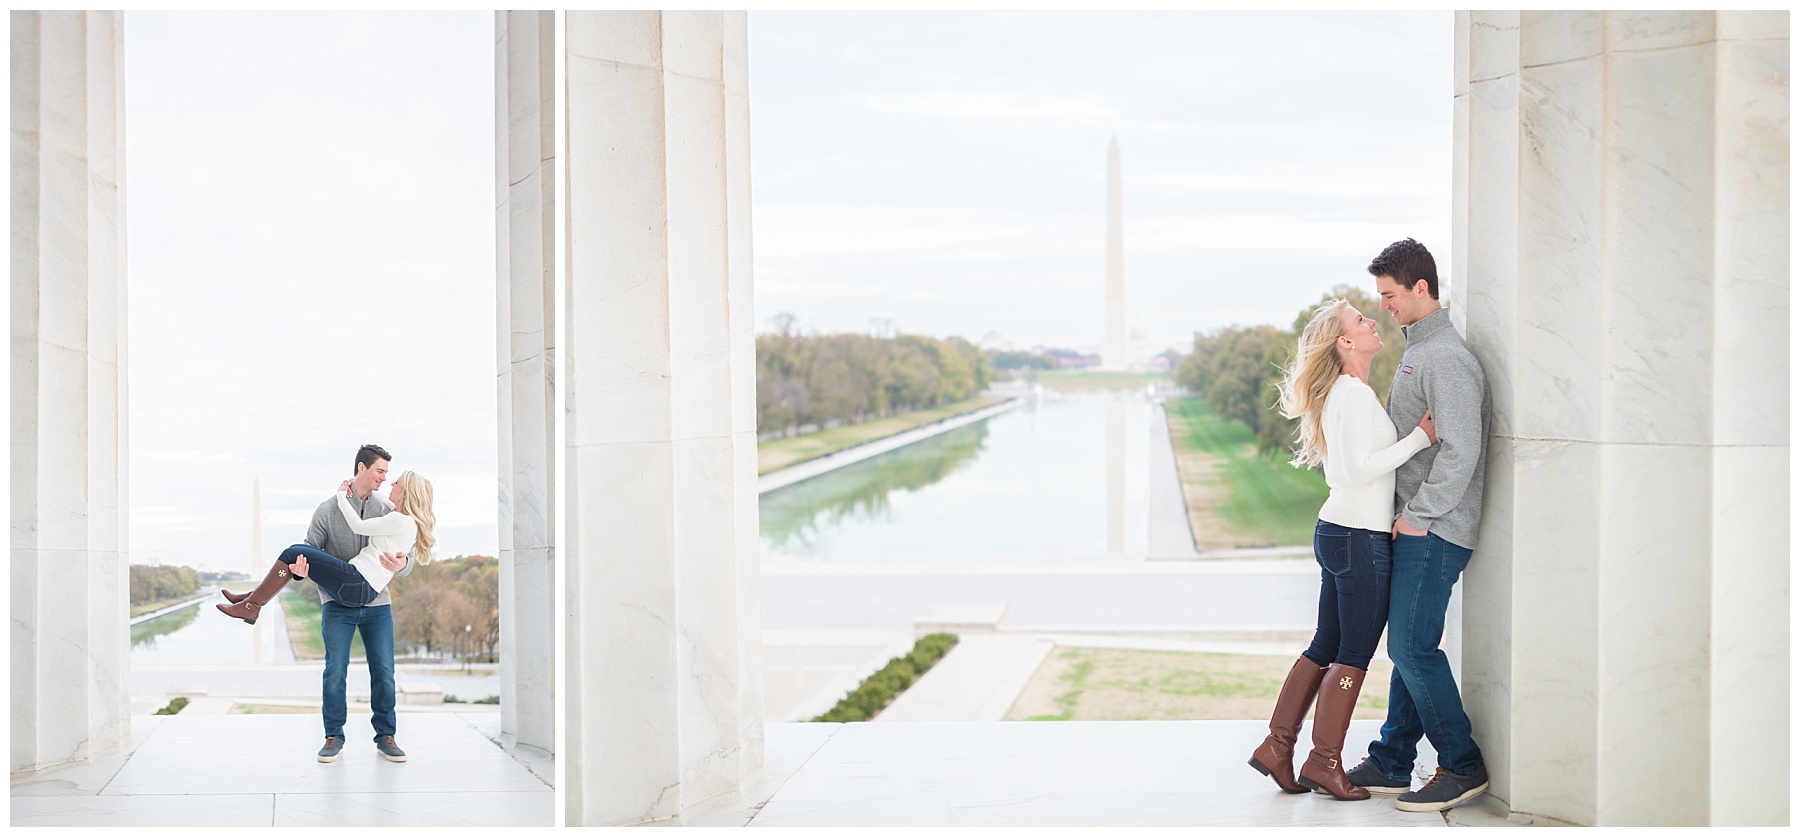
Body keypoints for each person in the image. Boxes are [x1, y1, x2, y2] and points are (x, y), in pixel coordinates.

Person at [1249, 298, 1437, 801]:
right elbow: (1357, 470)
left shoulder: (1346, 392)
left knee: (1325, 645)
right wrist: (1419, 438)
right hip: (1357, 536)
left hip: (1340, 531)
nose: (1371, 320)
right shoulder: (1351, 395)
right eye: (1359, 319)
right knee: (1352, 652)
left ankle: (1277, 747)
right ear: (1345, 342)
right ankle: (1324, 763)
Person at [1342, 238, 1492, 812]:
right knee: (1409, 645)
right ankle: (1392, 759)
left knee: (1409, 646)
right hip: (1418, 526)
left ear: (1421, 288)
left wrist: (1417, 517)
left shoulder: (1445, 358)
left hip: (1435, 530)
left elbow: (1461, 449)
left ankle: (1462, 764)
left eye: (1390, 295)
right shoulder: (1419, 351)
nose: (1383, 306)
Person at [218, 444, 435, 764]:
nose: (384, 479)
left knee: (384, 673)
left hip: (376, 603)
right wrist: (299, 573)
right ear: (361, 468)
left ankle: (386, 736)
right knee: (334, 672)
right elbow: (309, 552)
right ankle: (333, 736)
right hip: (337, 601)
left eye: (389, 475)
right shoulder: (327, 510)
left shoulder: (389, 509)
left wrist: (402, 564)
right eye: (380, 471)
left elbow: (409, 554)